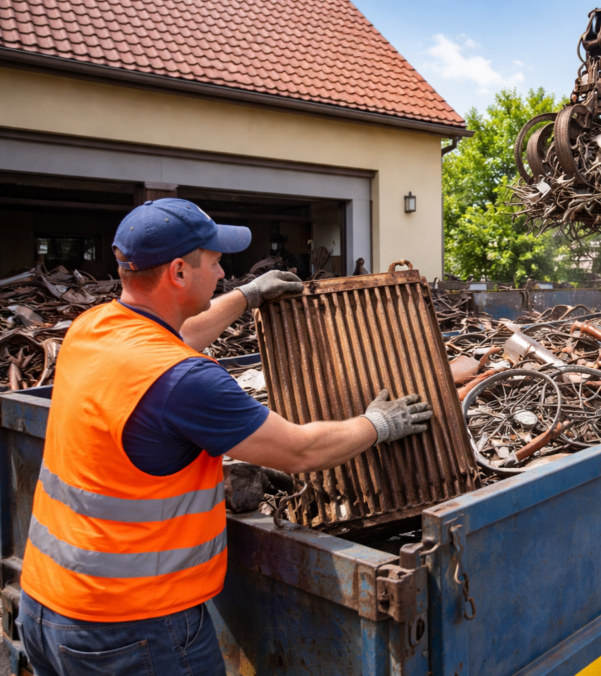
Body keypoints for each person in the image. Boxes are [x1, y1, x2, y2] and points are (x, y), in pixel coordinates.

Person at [17, 198, 432, 676]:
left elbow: (177, 333)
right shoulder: (183, 381)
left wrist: (249, 296)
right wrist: (379, 423)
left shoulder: (94, 327)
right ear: (177, 272)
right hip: (133, 631)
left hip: (48, 606)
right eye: (215, 262)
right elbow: (299, 450)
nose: (222, 273)